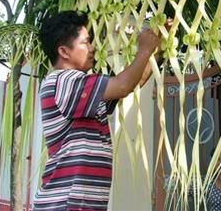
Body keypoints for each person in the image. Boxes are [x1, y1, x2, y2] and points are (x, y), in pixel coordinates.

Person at [33, 11, 160, 211]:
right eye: (86, 42)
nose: (92, 48)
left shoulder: (81, 90)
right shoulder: (63, 81)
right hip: (65, 205)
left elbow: (133, 82)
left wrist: (154, 50)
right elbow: (123, 85)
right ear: (64, 52)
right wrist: (143, 50)